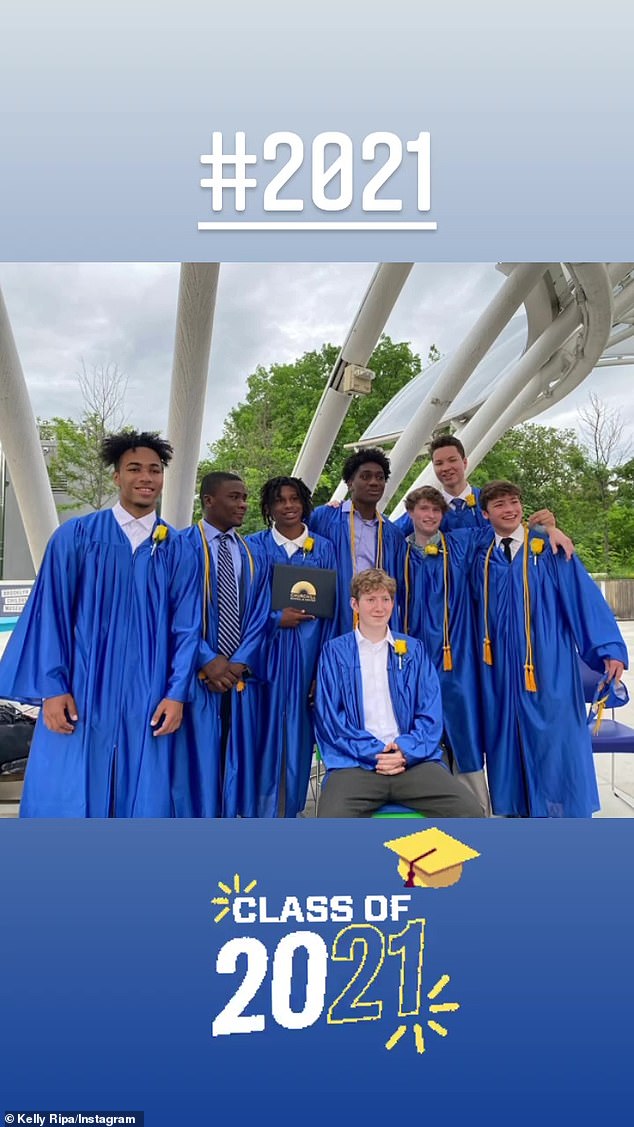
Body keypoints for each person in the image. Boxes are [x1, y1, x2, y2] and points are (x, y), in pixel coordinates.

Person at [0, 431, 201, 817]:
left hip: (150, 691)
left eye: (155, 470)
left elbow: (187, 629)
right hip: (83, 686)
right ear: (116, 477)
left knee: (144, 787)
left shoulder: (178, 549)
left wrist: (177, 694)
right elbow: (51, 617)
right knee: (71, 782)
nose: (146, 477)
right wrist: (53, 688)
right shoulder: (76, 538)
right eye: (134, 468)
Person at [471, 480, 628, 817]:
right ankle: (518, 813)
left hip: (549, 663)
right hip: (500, 669)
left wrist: (608, 647)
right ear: (485, 514)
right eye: (499, 505)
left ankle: (563, 818)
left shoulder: (548, 549)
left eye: (514, 501)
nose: (509, 509)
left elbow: (581, 595)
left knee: (558, 740)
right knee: (507, 740)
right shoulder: (481, 558)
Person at [314, 568, 483, 818]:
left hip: (411, 762)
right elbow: (330, 719)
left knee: (469, 812)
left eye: (385, 599)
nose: (379, 607)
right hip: (355, 765)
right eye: (370, 600)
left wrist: (404, 750)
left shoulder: (413, 650)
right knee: (332, 821)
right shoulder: (335, 652)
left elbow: (430, 712)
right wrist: (375, 753)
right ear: (355, 604)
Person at [171, 472, 270, 818]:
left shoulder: (253, 552)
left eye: (244, 497)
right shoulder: (180, 546)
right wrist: (207, 659)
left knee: (234, 755)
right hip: (196, 677)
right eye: (234, 497)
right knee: (195, 764)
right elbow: (170, 612)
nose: (243, 504)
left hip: (238, 679)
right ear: (209, 500)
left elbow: (260, 613)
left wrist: (238, 662)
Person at [247, 476, 337, 817]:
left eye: (295, 498)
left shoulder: (324, 548)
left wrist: (323, 670)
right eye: (280, 500)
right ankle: (261, 809)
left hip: (307, 659)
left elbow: (333, 613)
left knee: (299, 739)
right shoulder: (254, 546)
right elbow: (245, 607)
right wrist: (273, 618)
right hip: (265, 658)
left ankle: (292, 810)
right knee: (262, 734)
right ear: (268, 507)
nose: (288, 506)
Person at [309, 448, 405, 635]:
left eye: (379, 478)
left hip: (374, 612)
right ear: (350, 483)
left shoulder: (392, 533)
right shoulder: (324, 518)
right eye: (365, 476)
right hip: (334, 612)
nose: (374, 482)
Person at [394, 434, 487, 536]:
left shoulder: (487, 501)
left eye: (452, 460)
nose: (446, 467)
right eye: (439, 463)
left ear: (464, 462)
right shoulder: (425, 508)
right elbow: (388, 537)